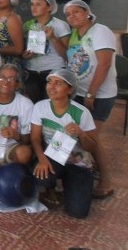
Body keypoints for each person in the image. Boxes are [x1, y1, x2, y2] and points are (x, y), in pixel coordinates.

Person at [64, 0, 116, 200]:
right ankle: (83, 172)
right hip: (79, 93)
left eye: (76, 12)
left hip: (98, 95)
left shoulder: (100, 31)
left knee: (92, 139)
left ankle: (106, 181)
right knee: (80, 136)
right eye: (68, 14)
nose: (72, 16)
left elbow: (104, 64)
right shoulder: (76, 35)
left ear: (87, 13)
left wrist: (91, 93)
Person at [31, 69, 98, 218]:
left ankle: (73, 184)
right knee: (41, 176)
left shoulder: (82, 112)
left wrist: (81, 133)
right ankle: (51, 188)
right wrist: (42, 159)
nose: (51, 87)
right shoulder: (40, 107)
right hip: (53, 157)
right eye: (49, 82)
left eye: (58, 83)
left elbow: (93, 147)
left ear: (70, 89)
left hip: (77, 162)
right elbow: (35, 139)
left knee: (78, 212)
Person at [22, 0, 69, 103]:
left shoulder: (60, 25)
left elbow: (67, 55)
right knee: (34, 106)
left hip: (53, 71)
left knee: (50, 105)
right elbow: (22, 49)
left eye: (38, 4)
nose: (34, 7)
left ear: (50, 7)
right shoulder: (28, 25)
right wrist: (24, 55)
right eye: (32, 4)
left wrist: (53, 38)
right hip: (32, 71)